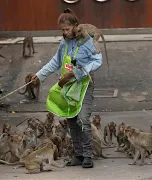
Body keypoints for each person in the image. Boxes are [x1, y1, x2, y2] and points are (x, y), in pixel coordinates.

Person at [31, 8, 103, 168]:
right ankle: (78, 154)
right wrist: (39, 75)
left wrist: (79, 73)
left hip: (83, 85)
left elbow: (98, 61)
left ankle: (87, 155)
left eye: (67, 29)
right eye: (62, 30)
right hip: (67, 87)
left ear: (76, 26)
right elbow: (56, 62)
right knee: (71, 119)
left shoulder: (87, 41)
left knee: (83, 119)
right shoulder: (64, 43)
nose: (65, 33)